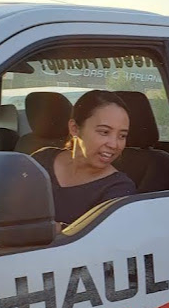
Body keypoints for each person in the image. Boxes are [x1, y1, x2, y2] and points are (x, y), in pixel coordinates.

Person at [33, 90, 136, 226]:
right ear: (75, 128)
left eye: (122, 135)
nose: (114, 144)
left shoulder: (119, 189)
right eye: (104, 132)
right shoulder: (41, 160)